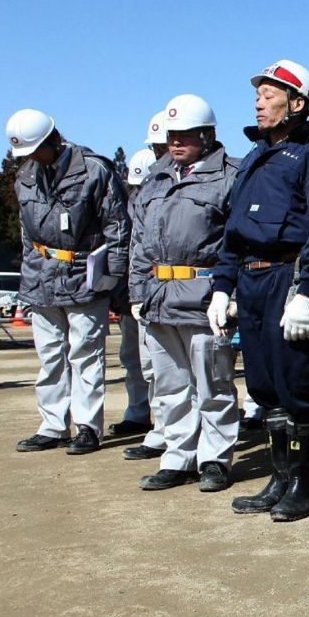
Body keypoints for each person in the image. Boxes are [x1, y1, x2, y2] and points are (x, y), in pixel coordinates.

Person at [214, 60, 309, 519]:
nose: (258, 103)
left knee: (297, 383)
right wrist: (223, 286)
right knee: (264, 385)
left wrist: (308, 288)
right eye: (258, 95)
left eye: (270, 95)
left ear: (298, 103)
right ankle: (280, 476)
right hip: (251, 279)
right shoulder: (252, 158)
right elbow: (234, 229)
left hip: (289, 275)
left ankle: (306, 482)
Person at [132, 94, 241, 491]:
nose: (175, 142)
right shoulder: (156, 178)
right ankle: (178, 456)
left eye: (186, 134)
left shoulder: (231, 175)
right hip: (158, 296)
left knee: (213, 382)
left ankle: (215, 458)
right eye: (172, 134)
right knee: (170, 385)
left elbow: (236, 241)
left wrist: (228, 294)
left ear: (207, 134)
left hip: (202, 295)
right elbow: (139, 240)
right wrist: (137, 291)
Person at [7, 108, 130, 455]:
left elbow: (118, 227)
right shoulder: (26, 176)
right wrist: (29, 273)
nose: (30, 158)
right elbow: (24, 231)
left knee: (85, 354)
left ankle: (88, 426)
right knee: (49, 356)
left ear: (52, 140)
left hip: (83, 274)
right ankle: (52, 425)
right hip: (41, 278)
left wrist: (113, 276)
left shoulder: (94, 170)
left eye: (35, 150)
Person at [122, 118, 172, 461]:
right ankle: (162, 427)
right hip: (152, 287)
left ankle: (188, 436)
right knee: (153, 366)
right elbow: (137, 246)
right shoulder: (149, 187)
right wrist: (135, 291)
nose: (160, 154)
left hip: (186, 288)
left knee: (198, 372)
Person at [108, 145, 160, 440]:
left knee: (158, 364)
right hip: (132, 293)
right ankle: (138, 412)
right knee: (132, 358)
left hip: (160, 291)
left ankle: (164, 423)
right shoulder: (128, 206)